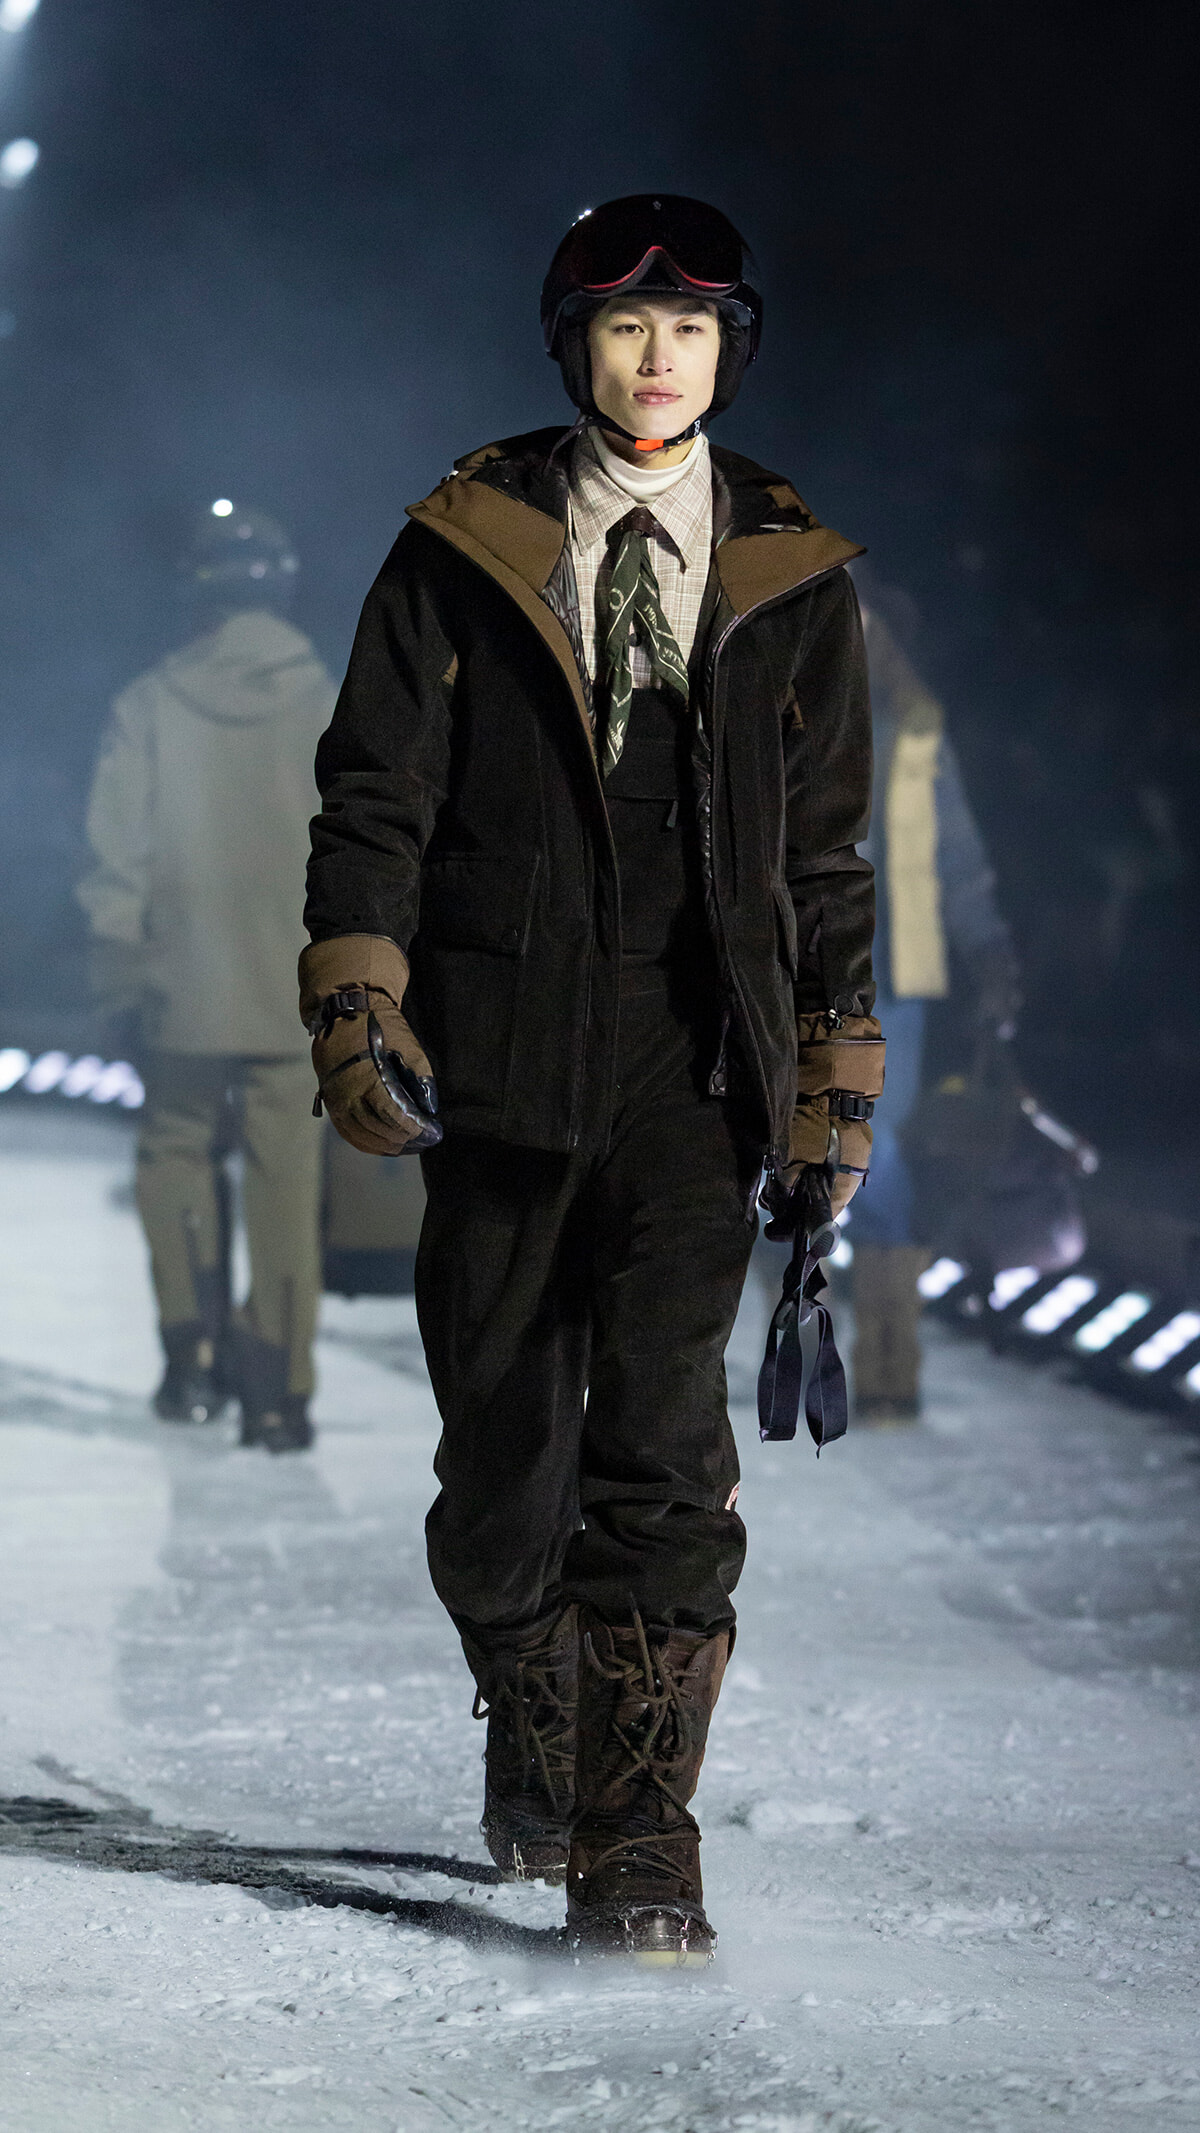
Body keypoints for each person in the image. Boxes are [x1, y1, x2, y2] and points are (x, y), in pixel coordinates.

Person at [300, 195, 884, 1962]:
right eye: (629, 328)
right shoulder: (462, 543)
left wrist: (833, 1082)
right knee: (499, 1463)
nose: (659, 358)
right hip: (494, 1058)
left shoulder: (793, 566)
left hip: (697, 1060)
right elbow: (374, 803)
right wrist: (360, 1003)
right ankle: (530, 1707)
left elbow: (835, 857)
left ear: (731, 349)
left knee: (662, 1446)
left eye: (693, 329)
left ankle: (642, 1831)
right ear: (576, 347)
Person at [79, 503, 335, 1452]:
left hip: (179, 984)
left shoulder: (147, 703)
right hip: (296, 990)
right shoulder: (327, 702)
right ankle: (279, 1392)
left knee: (176, 1159)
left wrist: (119, 974)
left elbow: (118, 855)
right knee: (284, 1188)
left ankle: (190, 1364)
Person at [850, 574, 1020, 1420]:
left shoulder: (915, 735)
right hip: (799, 965)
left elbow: (954, 853)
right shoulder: (781, 722)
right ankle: (877, 1359)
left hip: (891, 973)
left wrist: (988, 945)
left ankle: (889, 1362)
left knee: (874, 1148)